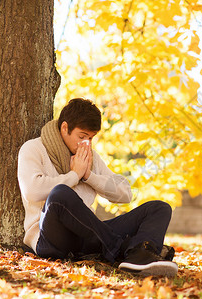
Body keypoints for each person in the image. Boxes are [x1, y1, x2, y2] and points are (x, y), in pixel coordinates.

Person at [17, 98, 178, 277]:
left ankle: (140, 257)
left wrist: (89, 176)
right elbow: (32, 191)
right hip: (52, 240)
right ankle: (127, 251)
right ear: (65, 128)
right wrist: (74, 176)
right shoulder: (34, 148)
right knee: (60, 195)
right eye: (82, 136)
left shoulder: (89, 158)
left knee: (159, 208)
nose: (86, 143)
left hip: (89, 238)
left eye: (91, 138)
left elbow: (125, 194)